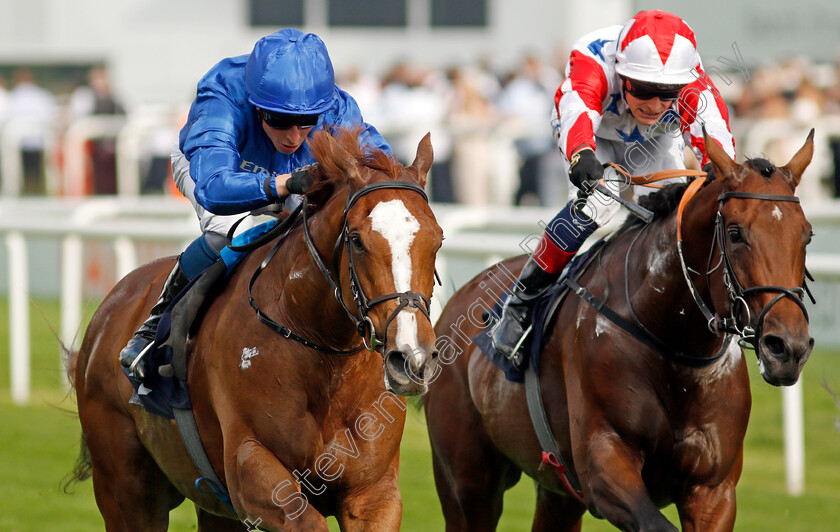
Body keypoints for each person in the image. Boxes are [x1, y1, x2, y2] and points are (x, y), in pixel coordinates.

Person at [119, 28, 391, 377]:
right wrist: (283, 183)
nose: (294, 136)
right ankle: (154, 326)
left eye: (306, 122)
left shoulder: (335, 108)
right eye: (278, 120)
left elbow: (380, 167)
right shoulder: (223, 94)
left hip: (294, 175)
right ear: (256, 104)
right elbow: (214, 188)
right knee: (236, 231)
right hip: (209, 168)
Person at [491, 10, 736, 367]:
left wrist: (722, 172)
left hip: (654, 139)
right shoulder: (592, 61)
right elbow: (578, 108)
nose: (654, 104)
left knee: (672, 213)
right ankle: (521, 303)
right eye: (643, 90)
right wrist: (581, 154)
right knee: (597, 208)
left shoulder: (691, 80)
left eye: (667, 94)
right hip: (593, 132)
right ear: (621, 74)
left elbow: (716, 142)